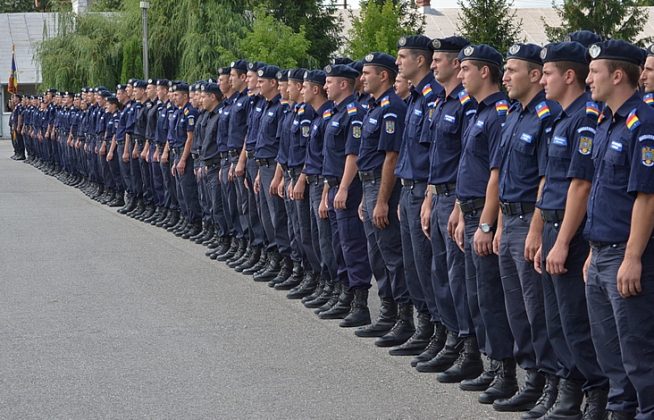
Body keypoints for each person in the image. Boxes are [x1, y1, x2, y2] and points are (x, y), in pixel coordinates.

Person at [533, 41, 610, 419]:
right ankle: (566, 391)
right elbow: (549, 181)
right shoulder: (561, 118)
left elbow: (581, 185)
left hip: (570, 229)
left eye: (547, 74)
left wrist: (562, 241)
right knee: (556, 320)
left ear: (568, 76)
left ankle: (594, 395)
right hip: (551, 224)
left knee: (576, 321)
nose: (542, 80)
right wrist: (539, 233)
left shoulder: (585, 118)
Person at [584, 39, 654, 420]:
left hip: (625, 255)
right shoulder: (607, 121)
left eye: (594, 72)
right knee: (610, 353)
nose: (588, 79)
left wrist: (631, 257)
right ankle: (619, 411)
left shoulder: (643, 123)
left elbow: (647, 196)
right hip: (601, 253)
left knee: (638, 355)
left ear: (616, 76)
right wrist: (593, 252)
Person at [492, 43, 561, 415]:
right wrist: (499, 224)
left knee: (537, 310)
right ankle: (530, 379)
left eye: (512, 70)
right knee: (516, 309)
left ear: (535, 75)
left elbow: (544, 180)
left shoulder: (545, 117)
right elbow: (504, 176)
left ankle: (550, 384)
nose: (505, 77)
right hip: (509, 221)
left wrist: (534, 231)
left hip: (529, 223)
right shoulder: (514, 114)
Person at [420, 36, 483, 384]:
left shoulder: (465, 105)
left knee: (458, 279)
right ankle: (450, 338)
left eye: (439, 60)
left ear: (456, 64)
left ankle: (467, 347)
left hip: (457, 199)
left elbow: (465, 162)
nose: (433, 65)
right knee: (440, 274)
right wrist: (429, 197)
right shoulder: (440, 102)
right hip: (439, 196)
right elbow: (437, 159)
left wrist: (457, 205)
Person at [354, 51, 413, 337]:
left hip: (383, 186)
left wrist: (381, 201)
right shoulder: (374, 106)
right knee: (376, 253)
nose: (363, 78)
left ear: (384, 75)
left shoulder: (392, 108)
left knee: (392, 255)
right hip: (370, 185)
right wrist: (366, 198)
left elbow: (391, 157)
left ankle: (403, 318)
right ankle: (387, 312)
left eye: (367, 73)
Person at [391, 35, 443, 357]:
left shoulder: (434, 98)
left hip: (425, 191)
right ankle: (423, 327)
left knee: (427, 266)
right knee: (413, 266)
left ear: (419, 60)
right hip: (409, 189)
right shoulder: (415, 98)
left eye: (402, 57)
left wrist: (427, 195)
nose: (398, 62)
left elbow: (434, 154)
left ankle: (439, 332)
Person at [317, 63, 372, 326]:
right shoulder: (336, 112)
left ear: (343, 84)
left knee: (352, 245)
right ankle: (345, 294)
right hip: (334, 185)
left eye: (329, 82)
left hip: (346, 188)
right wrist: (328, 190)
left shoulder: (354, 113)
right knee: (339, 244)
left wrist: (344, 187)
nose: (325, 86)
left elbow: (353, 155)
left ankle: (360, 303)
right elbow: (331, 158)